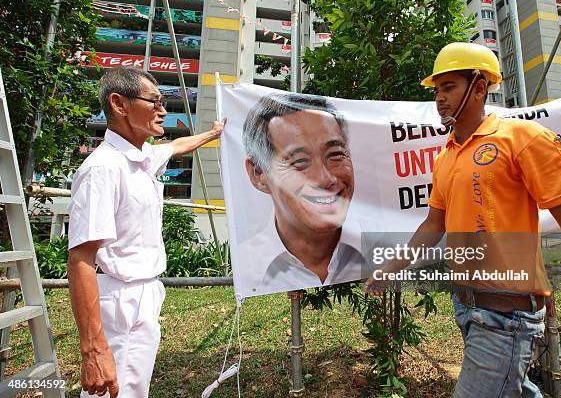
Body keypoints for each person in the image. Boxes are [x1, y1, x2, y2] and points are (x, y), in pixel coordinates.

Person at [366, 42, 561, 397]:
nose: (440, 98)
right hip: (467, 307)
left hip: (505, 316)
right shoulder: (446, 156)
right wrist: (393, 266)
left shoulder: (523, 139)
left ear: (479, 87)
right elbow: (434, 224)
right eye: (437, 90)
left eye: (449, 87)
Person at [67, 66, 225, 397]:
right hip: (121, 300)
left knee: (134, 388)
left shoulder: (143, 157)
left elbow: (178, 146)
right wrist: (93, 350)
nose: (163, 110)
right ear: (119, 104)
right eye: (154, 101)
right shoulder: (102, 169)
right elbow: (81, 257)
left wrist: (213, 134)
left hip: (145, 295)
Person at [240, 92, 365, 296]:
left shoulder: (382, 250)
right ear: (258, 174)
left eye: (335, 155)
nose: (325, 179)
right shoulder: (249, 264)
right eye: (299, 162)